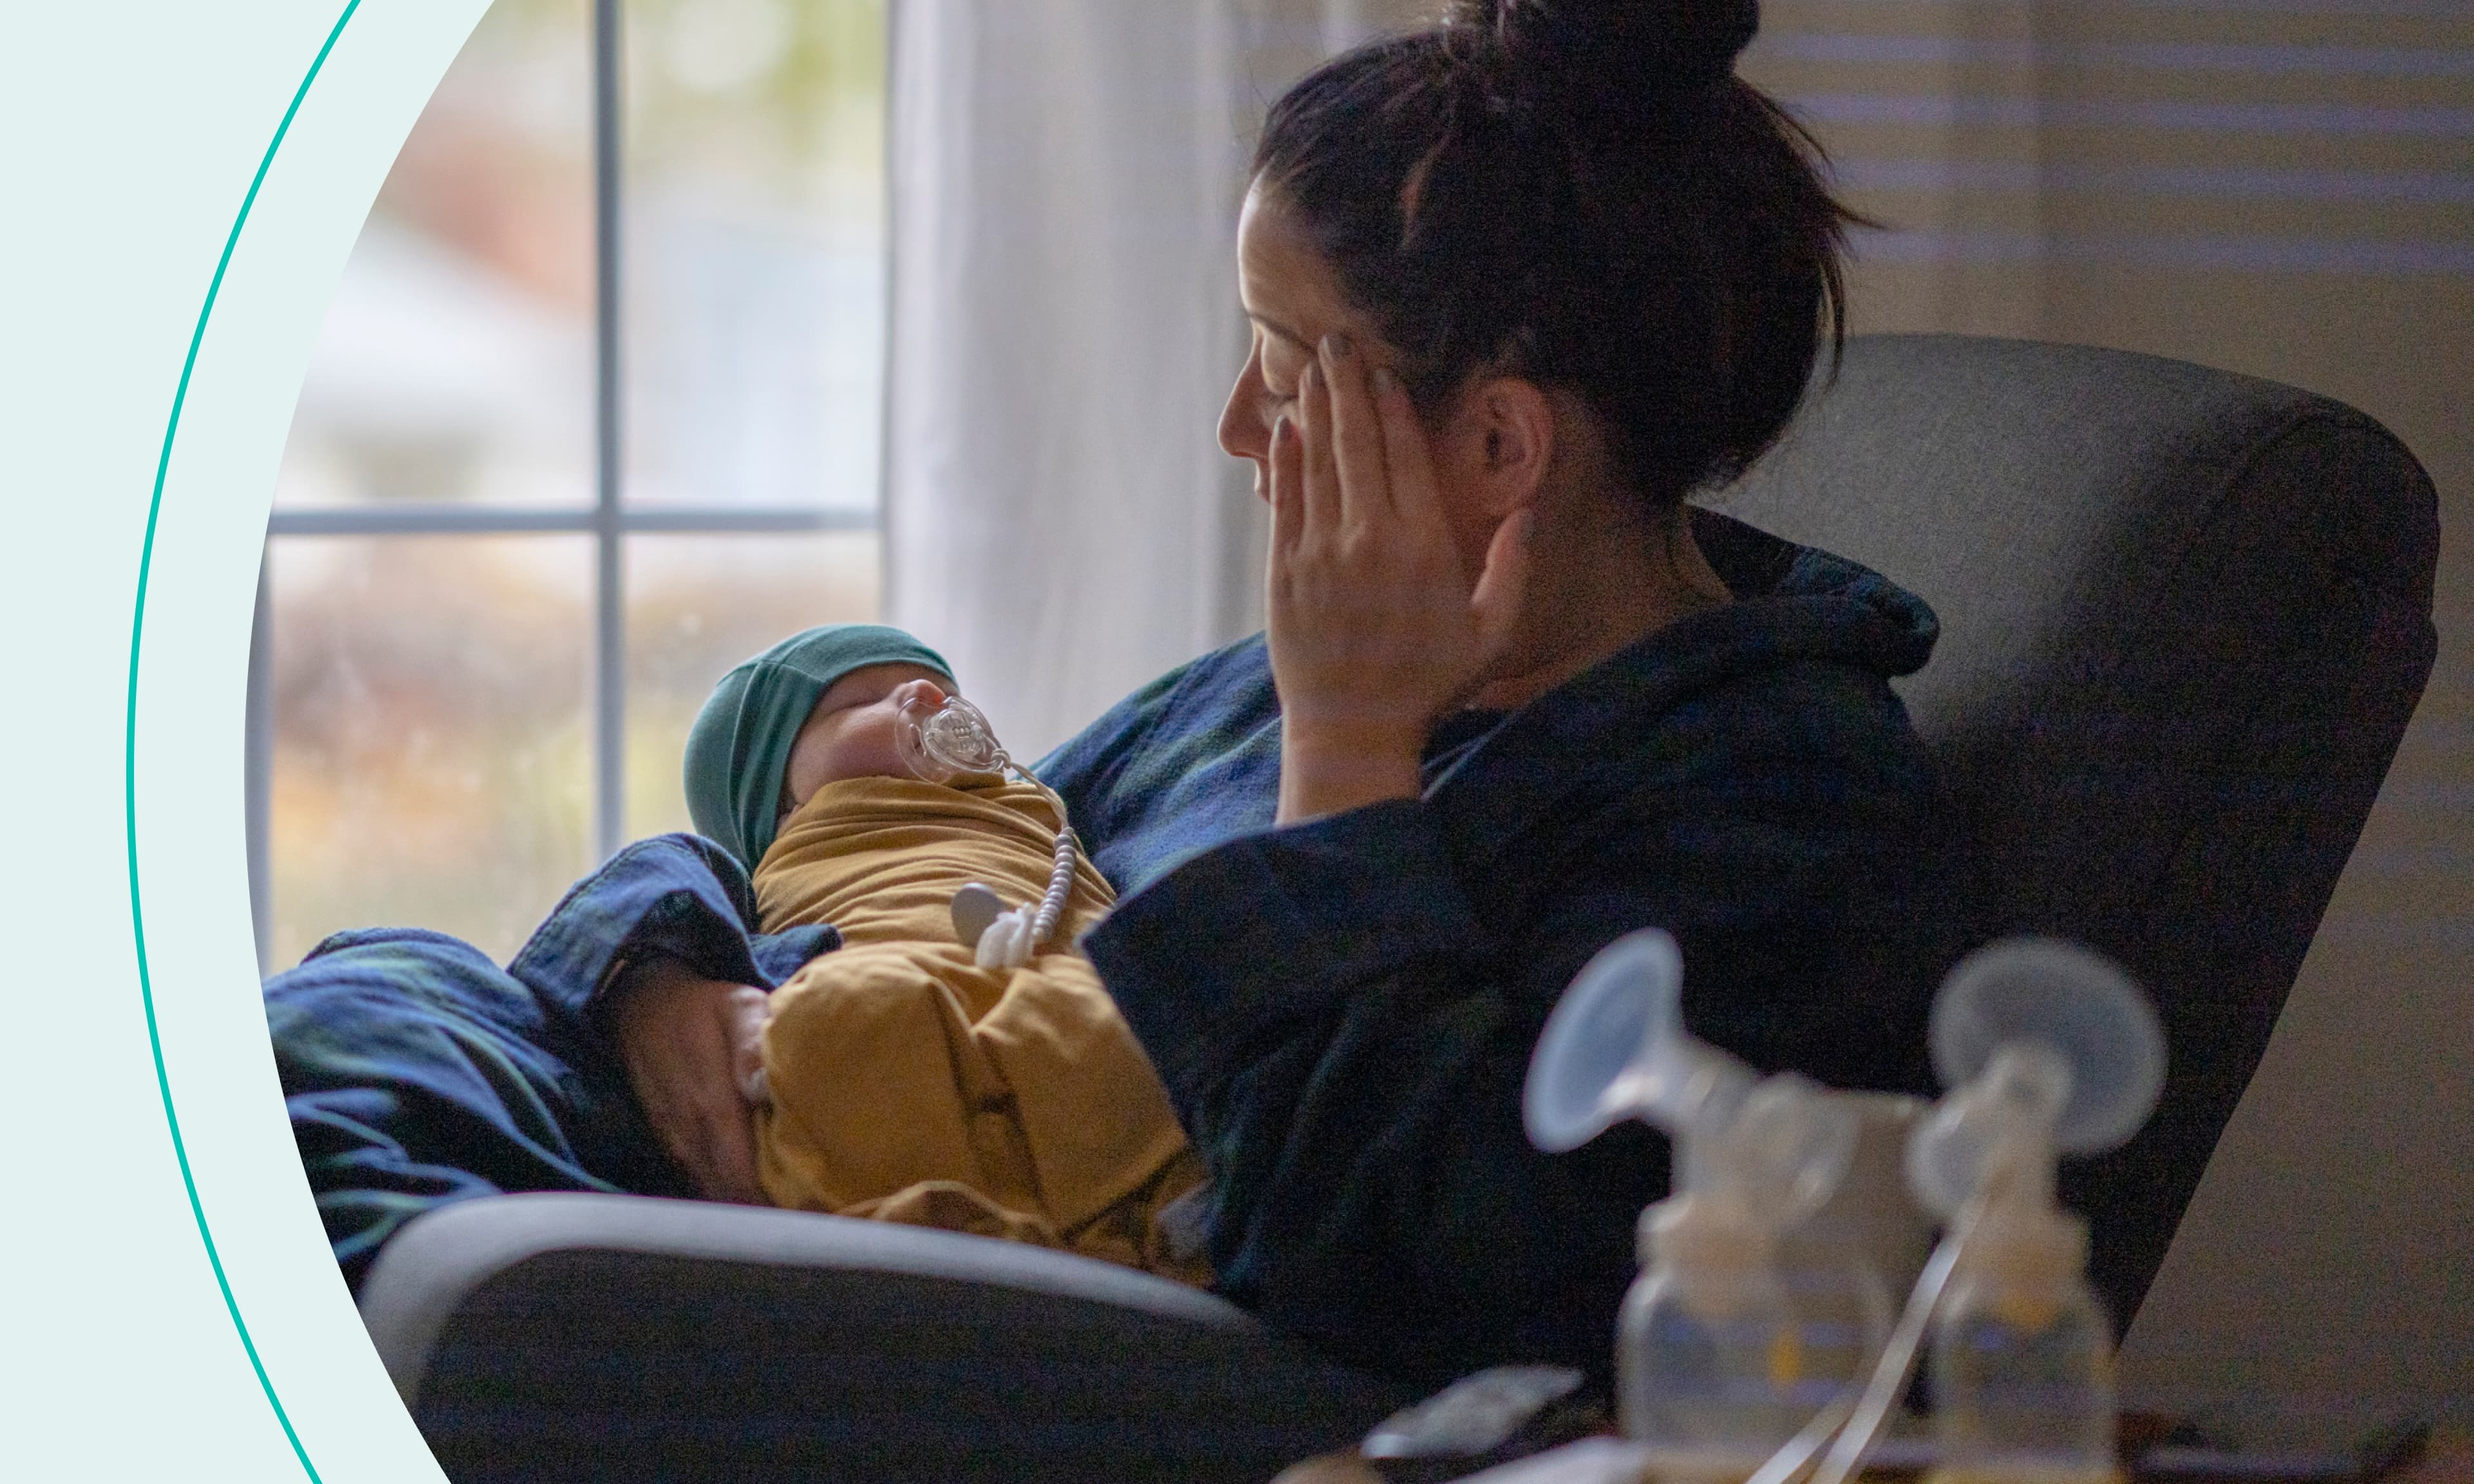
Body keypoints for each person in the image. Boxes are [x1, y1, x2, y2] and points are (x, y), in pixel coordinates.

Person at [269, 0, 1946, 1389]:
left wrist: (1352, 761)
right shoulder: (1262, 689)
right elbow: (948, 841)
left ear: (1501, 444)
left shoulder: (1771, 799)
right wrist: (655, 974)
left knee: (321, 1203)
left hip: (1009, 1312)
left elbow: (1412, 1279)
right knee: (345, 1018)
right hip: (746, 1116)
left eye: (1285, 366)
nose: (1238, 426)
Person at [677, 623, 1206, 1282]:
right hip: (906, 985)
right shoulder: (778, 862)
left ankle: (1157, 1223)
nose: (926, 694)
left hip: (1055, 990)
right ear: (776, 798)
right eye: (862, 700)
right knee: (831, 1019)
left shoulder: (1036, 808)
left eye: (943, 690)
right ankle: (945, 1225)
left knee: (1145, 1025)